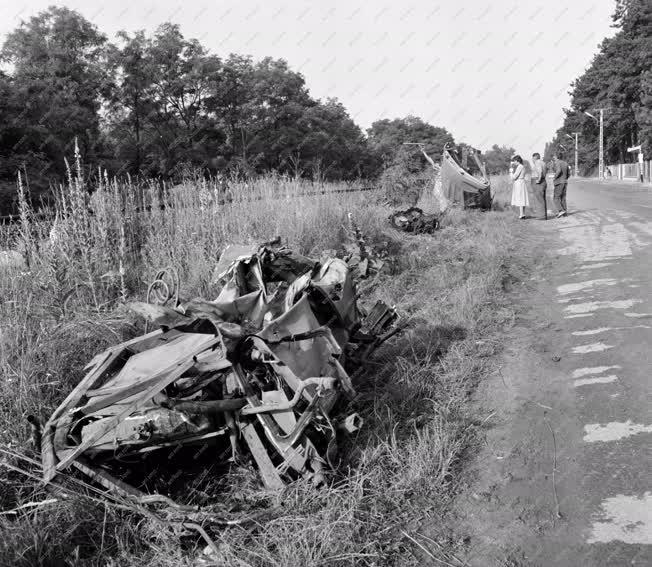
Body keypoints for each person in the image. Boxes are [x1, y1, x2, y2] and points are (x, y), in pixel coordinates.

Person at [510, 155, 529, 219]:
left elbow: (514, 177)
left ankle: (521, 214)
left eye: (514, 161)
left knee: (520, 198)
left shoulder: (519, 167)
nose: (514, 162)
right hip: (521, 182)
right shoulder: (521, 166)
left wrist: (511, 171)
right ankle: (522, 214)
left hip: (519, 183)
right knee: (522, 197)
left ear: (517, 161)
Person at [552, 153, 571, 217]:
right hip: (565, 182)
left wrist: (555, 177)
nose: (553, 158)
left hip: (559, 182)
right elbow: (569, 173)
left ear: (557, 157)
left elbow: (559, 170)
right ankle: (565, 213)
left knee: (556, 198)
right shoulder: (565, 163)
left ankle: (561, 210)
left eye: (554, 156)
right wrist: (565, 178)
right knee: (563, 198)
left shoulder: (557, 162)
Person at [530, 152, 547, 220]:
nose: (532, 160)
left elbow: (540, 171)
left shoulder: (537, 162)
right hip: (543, 181)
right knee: (542, 199)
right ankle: (543, 215)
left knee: (538, 199)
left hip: (538, 181)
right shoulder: (543, 163)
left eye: (532, 158)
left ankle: (541, 216)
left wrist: (538, 180)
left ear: (535, 157)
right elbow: (544, 172)